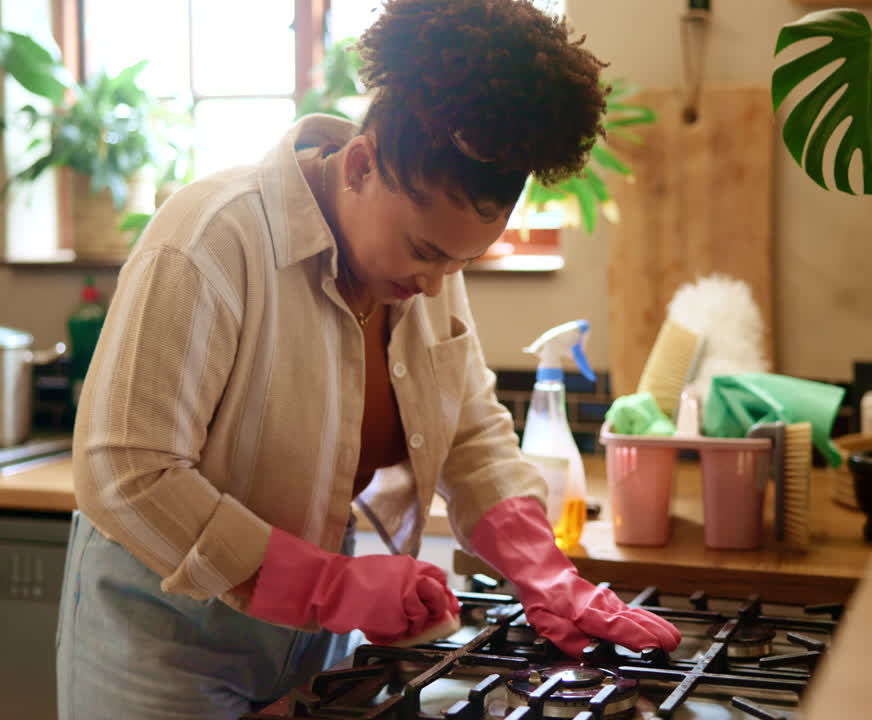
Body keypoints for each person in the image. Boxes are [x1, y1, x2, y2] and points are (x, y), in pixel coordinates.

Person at [56, 1, 681, 718]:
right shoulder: (210, 240)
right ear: (358, 165)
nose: (438, 282)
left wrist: (545, 573)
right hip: (166, 637)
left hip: (311, 640)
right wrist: (331, 586)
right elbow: (127, 473)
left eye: (462, 260)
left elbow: (471, 434)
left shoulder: (422, 272)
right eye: (426, 251)